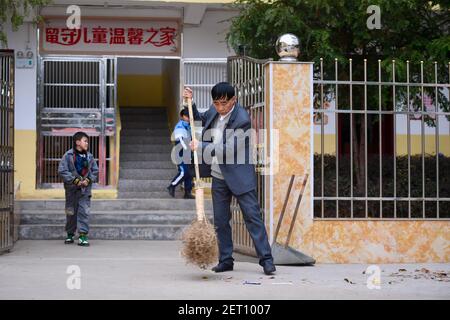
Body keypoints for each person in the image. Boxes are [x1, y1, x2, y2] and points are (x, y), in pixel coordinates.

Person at [186, 83, 276, 275]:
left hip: (240, 176)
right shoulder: (214, 109)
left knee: (252, 218)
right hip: (219, 176)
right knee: (220, 220)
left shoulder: (242, 119)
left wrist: (200, 146)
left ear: (233, 100)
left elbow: (227, 150)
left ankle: (266, 260)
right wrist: (191, 103)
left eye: (224, 103)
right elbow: (201, 119)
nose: (220, 107)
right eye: (217, 103)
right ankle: (225, 260)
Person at [58, 131, 99, 247]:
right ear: (77, 142)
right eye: (85, 141)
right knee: (71, 212)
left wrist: (88, 180)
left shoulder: (89, 156)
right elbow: (62, 171)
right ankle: (70, 234)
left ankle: (82, 236)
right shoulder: (68, 156)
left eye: (87, 141)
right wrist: (75, 181)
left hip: (85, 191)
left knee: (84, 212)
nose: (87, 143)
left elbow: (95, 171)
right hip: (71, 190)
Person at [167, 108, 194, 199]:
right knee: (183, 172)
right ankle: (172, 185)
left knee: (189, 174)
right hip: (180, 153)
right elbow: (180, 141)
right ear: (182, 116)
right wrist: (188, 149)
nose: (188, 118)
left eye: (189, 116)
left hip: (187, 153)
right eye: (186, 116)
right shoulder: (180, 126)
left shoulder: (189, 126)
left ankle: (187, 192)